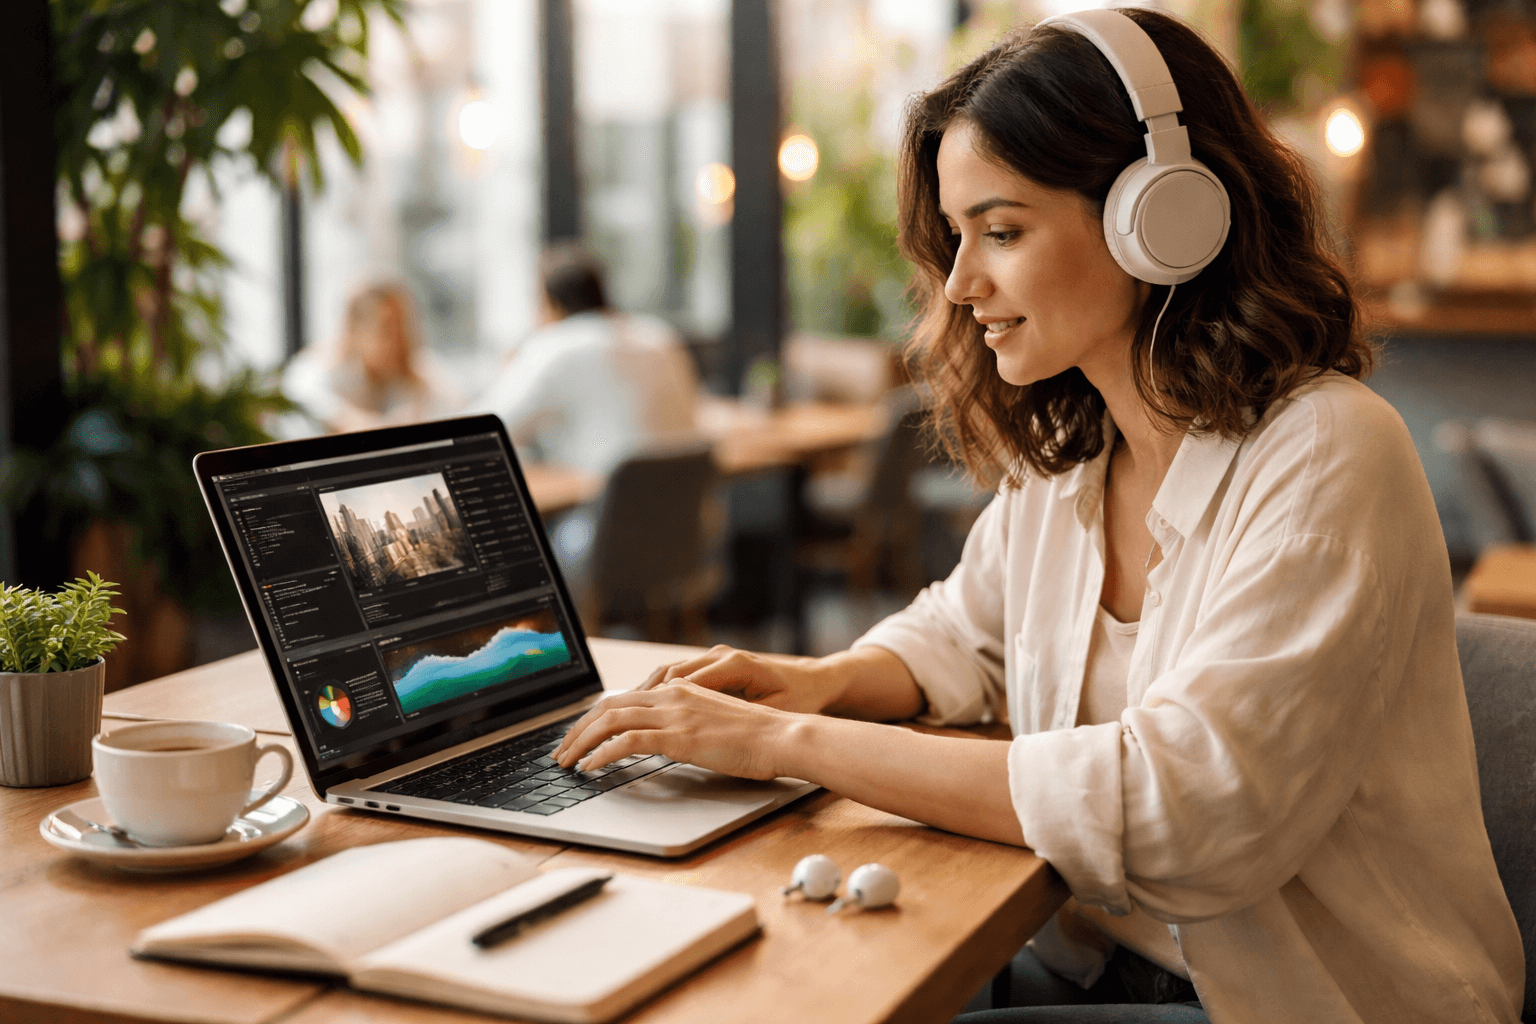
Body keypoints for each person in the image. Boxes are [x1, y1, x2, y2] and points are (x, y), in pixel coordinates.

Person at [552, 9, 1523, 1023]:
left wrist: (789, 740)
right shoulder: (1077, 454)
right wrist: (821, 680)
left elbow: (1184, 808)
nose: (962, 283)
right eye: (956, 237)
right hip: (1092, 966)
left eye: (1002, 231)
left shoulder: (1327, 452)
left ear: (1162, 215)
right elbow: (963, 633)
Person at [467, 243, 701, 477]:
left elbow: (483, 432)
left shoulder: (558, 345)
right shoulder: (659, 336)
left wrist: (511, 368)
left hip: (601, 496)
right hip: (686, 494)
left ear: (550, 303)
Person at [283, 282, 460, 434]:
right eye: (386, 329)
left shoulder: (419, 368)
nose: (397, 340)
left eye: (402, 327)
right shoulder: (320, 369)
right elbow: (304, 401)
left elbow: (457, 412)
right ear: (355, 331)